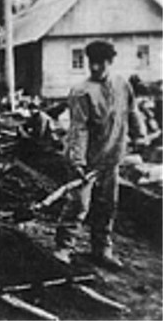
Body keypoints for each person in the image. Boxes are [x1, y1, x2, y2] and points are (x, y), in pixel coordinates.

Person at [53, 40, 146, 270]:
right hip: (85, 160)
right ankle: (63, 248)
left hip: (111, 157)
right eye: (91, 63)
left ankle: (101, 248)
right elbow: (79, 129)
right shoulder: (82, 92)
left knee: (107, 205)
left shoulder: (122, 85)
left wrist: (140, 134)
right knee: (78, 205)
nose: (95, 68)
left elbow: (132, 112)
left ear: (110, 62)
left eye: (100, 63)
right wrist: (77, 162)